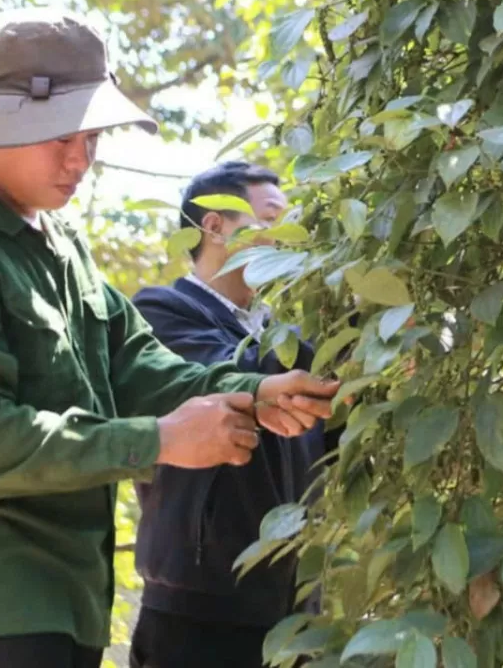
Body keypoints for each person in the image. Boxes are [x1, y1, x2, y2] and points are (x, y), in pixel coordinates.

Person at [0, 9, 339, 668]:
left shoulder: (59, 247)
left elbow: (140, 365)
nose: (80, 157)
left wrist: (256, 391)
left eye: (91, 135)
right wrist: (161, 439)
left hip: (67, 601)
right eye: (59, 135)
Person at [127, 161, 334, 668]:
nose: (288, 236)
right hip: (199, 606)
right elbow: (239, 377)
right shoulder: (159, 313)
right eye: (271, 218)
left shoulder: (292, 336)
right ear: (213, 225)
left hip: (293, 613)